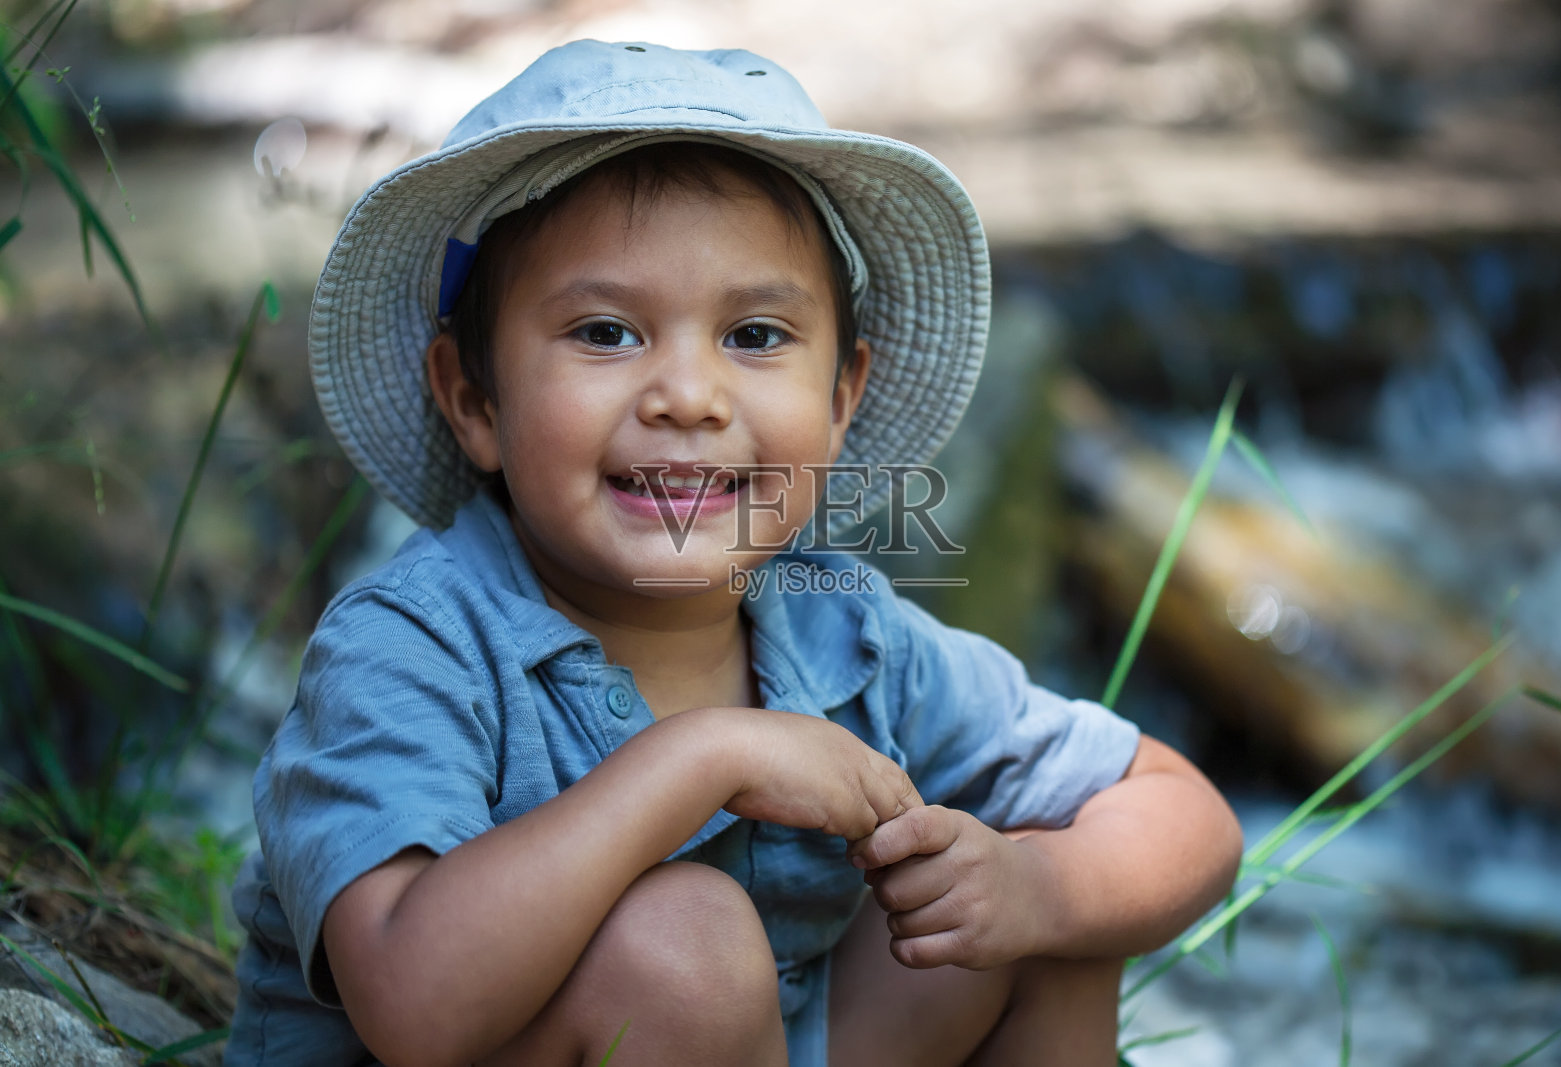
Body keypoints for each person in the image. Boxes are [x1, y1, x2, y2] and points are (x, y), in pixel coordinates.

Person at [224, 39, 1242, 1067]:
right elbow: (413, 1001)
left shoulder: (845, 634)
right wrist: (707, 755)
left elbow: (1179, 810)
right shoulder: (412, 645)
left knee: (1032, 917)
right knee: (683, 943)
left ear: (841, 399)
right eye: (607, 331)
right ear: (475, 402)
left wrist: (1038, 892)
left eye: (754, 335)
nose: (690, 395)